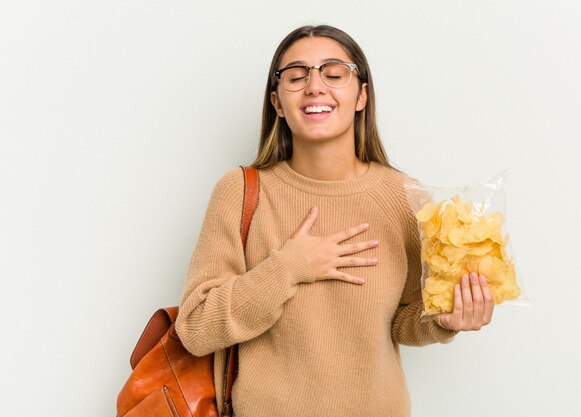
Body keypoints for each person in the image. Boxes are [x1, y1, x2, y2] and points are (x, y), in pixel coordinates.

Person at [175, 24, 494, 417]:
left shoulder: (405, 198)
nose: (314, 86)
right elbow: (194, 327)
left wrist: (447, 319)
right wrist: (291, 267)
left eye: (333, 72)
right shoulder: (240, 191)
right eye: (296, 76)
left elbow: (403, 321)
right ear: (277, 102)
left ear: (361, 95)